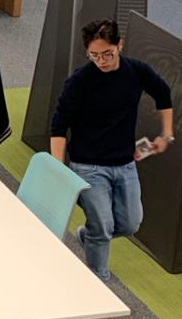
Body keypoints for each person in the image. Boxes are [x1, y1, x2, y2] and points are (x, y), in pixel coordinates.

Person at [50, 18, 174, 281]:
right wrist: (58, 170)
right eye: (94, 55)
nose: (101, 60)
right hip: (87, 166)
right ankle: (98, 278)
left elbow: (163, 93)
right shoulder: (80, 82)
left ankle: (89, 235)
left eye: (107, 53)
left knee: (130, 224)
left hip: (125, 164)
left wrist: (166, 134)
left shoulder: (136, 71)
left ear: (120, 45)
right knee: (104, 226)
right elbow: (59, 126)